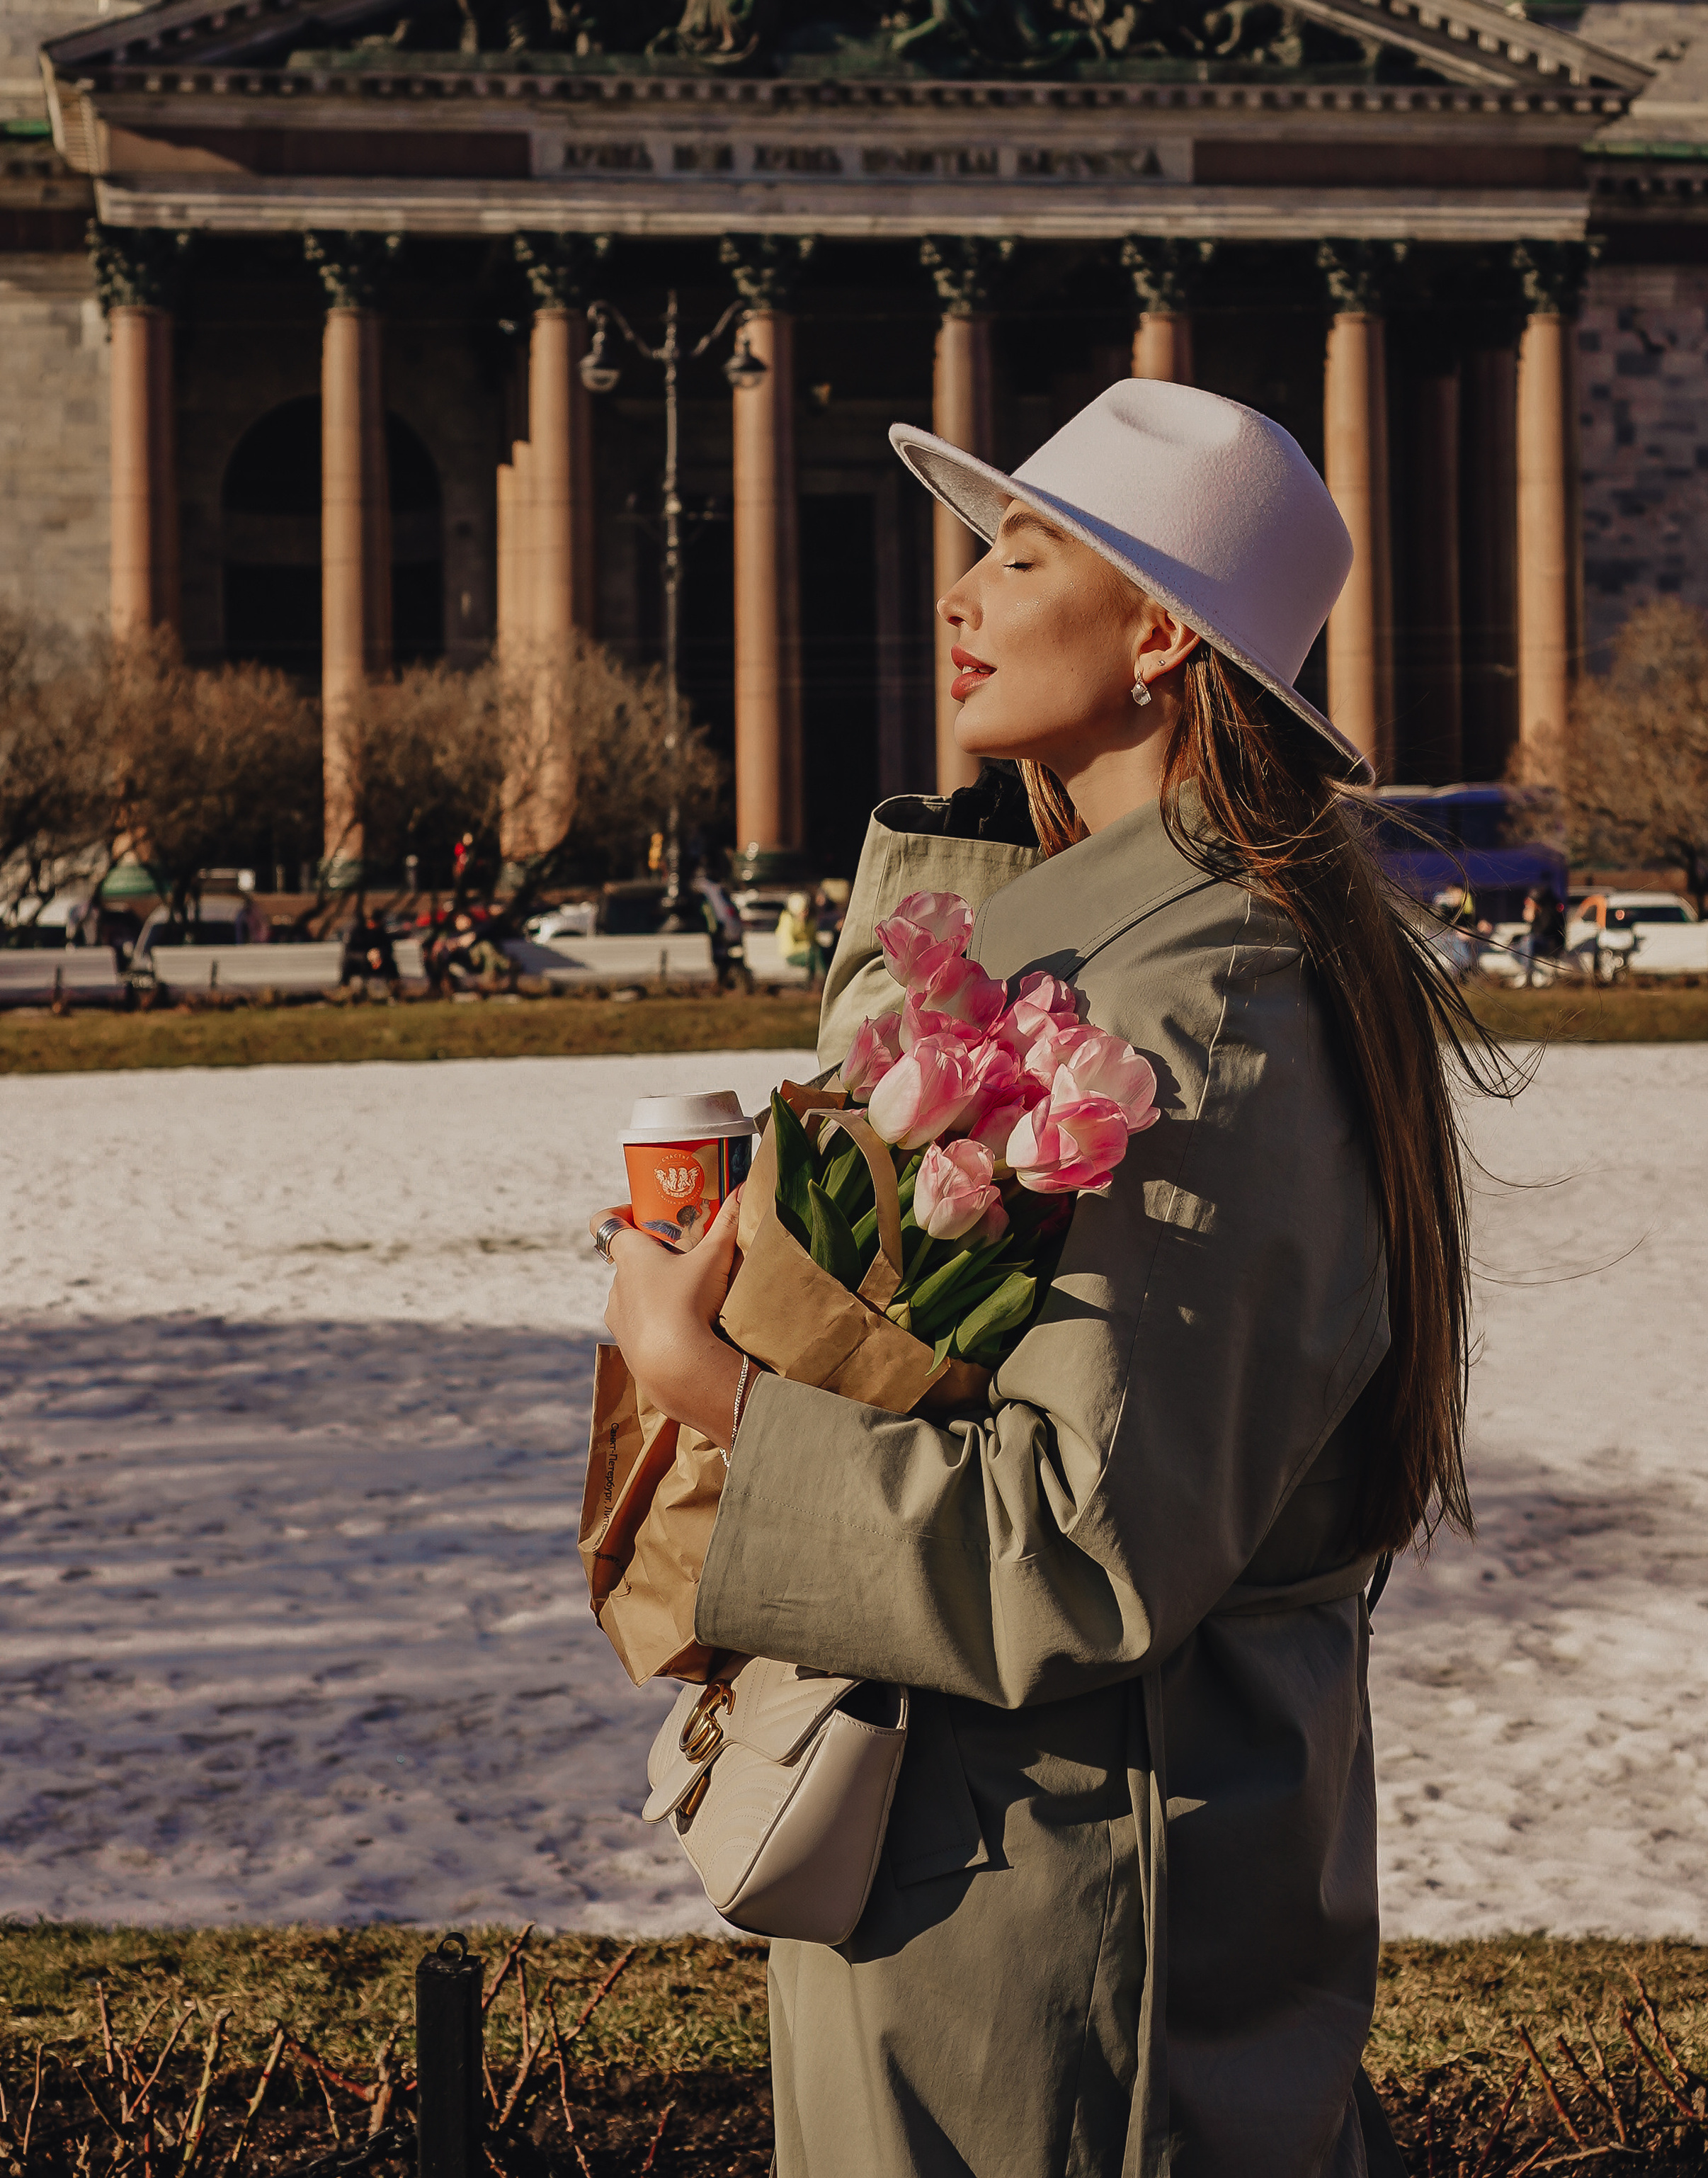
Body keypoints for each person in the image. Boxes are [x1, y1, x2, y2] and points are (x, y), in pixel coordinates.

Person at [606, 380, 1494, 2177]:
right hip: (980, 1863)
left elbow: (1083, 1543)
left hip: (1069, 1911)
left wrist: (714, 1391)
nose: (957, 596)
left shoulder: (1202, 1007)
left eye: (1018, 554)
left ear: (1160, 633)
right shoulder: (1124, 945)